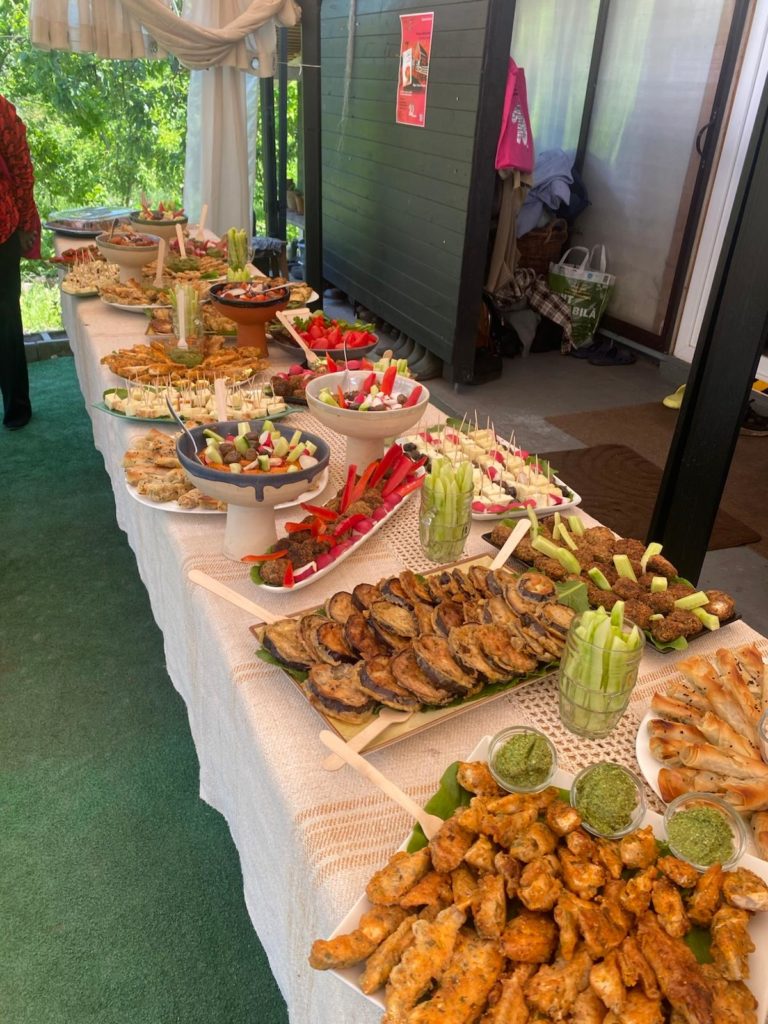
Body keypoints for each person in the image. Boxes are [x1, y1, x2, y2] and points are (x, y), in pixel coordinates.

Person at [0, 93, 40, 430]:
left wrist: (27, 224)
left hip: (2, 231)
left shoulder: (0, 109)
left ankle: (16, 409)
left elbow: (21, 167)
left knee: (6, 322)